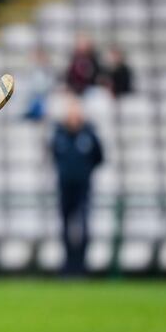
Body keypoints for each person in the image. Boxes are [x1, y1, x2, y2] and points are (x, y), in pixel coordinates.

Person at [50, 97, 104, 275]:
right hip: (65, 188)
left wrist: (84, 172)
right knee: (65, 226)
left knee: (84, 225)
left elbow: (99, 157)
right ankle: (68, 265)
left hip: (83, 188)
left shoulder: (89, 134)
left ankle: (82, 265)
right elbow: (54, 155)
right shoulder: (59, 134)